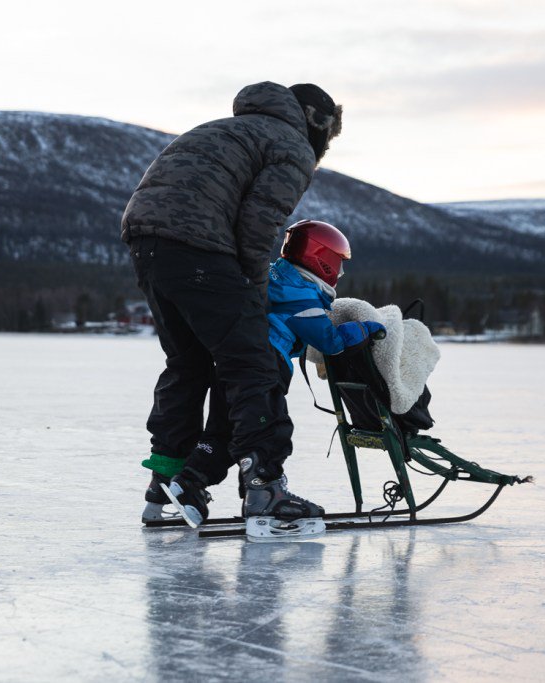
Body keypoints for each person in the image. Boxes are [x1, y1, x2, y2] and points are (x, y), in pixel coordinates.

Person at [122, 82, 343, 532]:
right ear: (316, 123)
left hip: (147, 246)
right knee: (253, 365)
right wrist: (255, 294)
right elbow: (259, 226)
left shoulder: (227, 128)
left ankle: (166, 482)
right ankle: (265, 487)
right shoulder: (291, 145)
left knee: (188, 364)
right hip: (201, 248)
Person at [161, 220, 385, 541]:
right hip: (263, 366)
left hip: (229, 363)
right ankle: (266, 496)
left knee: (224, 431)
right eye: (338, 264)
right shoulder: (300, 294)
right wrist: (364, 328)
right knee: (270, 427)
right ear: (322, 260)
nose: (340, 272)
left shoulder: (271, 277)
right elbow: (330, 341)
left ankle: (189, 484)